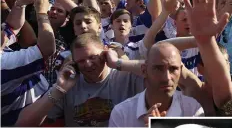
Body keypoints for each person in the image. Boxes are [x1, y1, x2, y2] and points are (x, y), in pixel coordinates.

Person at [15, 33, 144, 127]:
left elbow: (162, 71)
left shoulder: (127, 76)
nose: (87, 64)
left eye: (93, 57)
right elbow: (23, 124)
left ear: (105, 52)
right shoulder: (69, 85)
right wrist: (58, 89)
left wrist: (118, 63)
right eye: (81, 61)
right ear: (74, 62)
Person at [108, 42, 204, 127]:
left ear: (181, 70)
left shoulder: (193, 110)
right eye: (158, 69)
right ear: (144, 70)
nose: (167, 77)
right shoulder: (122, 113)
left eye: (173, 69)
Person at [1, 0, 55, 126]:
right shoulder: (3, 66)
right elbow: (47, 48)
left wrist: (20, 4)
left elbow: (12, 27)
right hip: (26, 119)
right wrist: (42, 13)